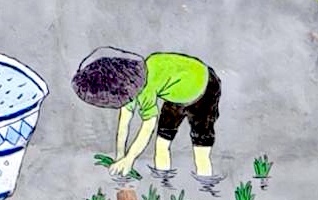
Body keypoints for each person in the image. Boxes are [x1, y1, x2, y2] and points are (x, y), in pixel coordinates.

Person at [71, 47, 223, 181]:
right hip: (176, 94)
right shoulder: (128, 85)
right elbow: (124, 122)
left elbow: (147, 127)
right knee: (162, 143)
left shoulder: (145, 88)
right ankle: (163, 181)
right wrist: (119, 156)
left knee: (200, 150)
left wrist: (129, 159)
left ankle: (205, 185)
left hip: (205, 88)